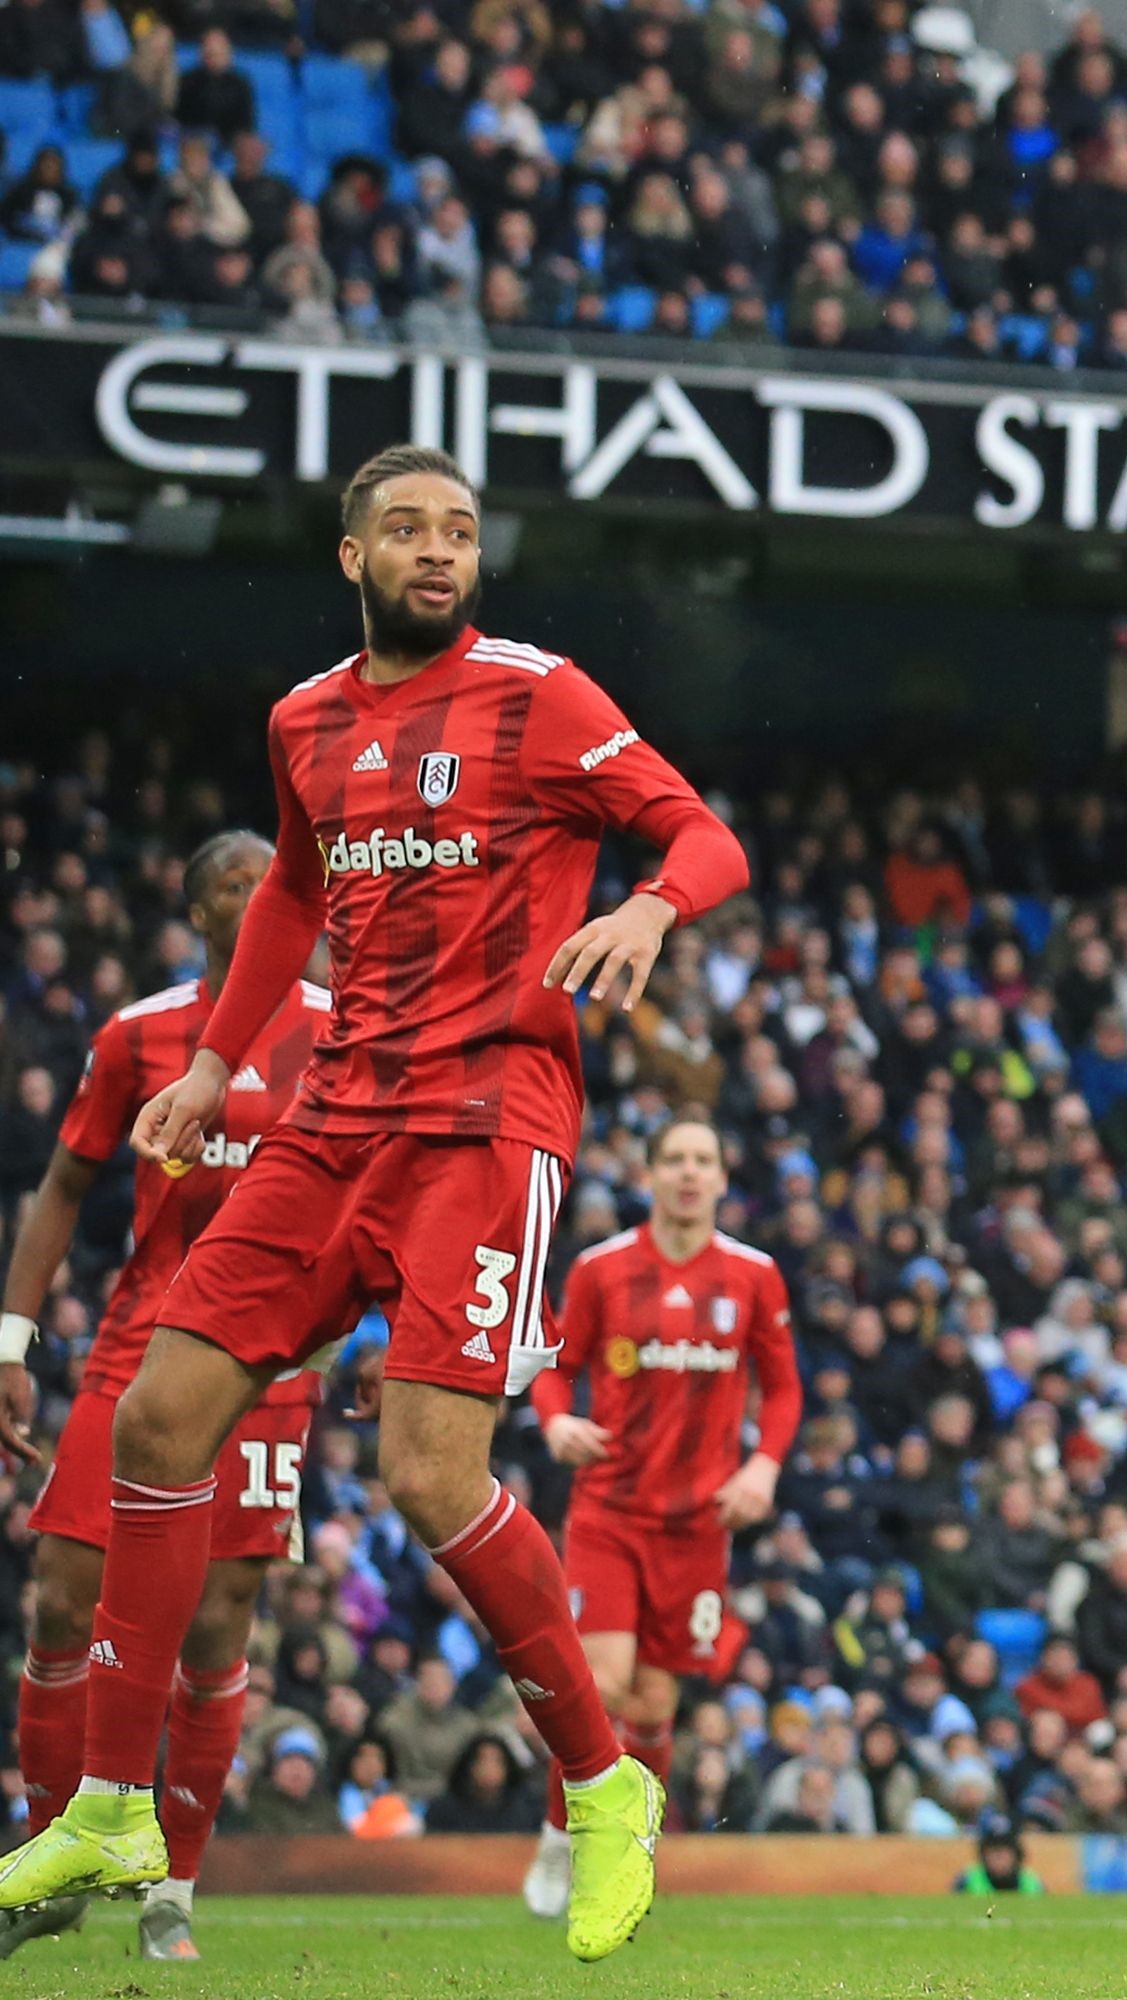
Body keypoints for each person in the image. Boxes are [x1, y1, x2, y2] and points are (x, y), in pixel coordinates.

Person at [0, 443, 749, 1963]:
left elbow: (702, 833)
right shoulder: (305, 721)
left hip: (485, 1122)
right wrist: (214, 1068)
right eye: (405, 528)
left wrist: (652, 905)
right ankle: (104, 1807)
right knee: (156, 1419)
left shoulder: (543, 696)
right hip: (333, 1116)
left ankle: (605, 1790)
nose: (436, 550)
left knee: (425, 1476)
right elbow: (289, 895)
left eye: (459, 532)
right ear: (351, 556)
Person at [0, 833, 330, 1964]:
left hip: (275, 1358)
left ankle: (173, 1892)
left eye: (269, 882)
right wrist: (10, 1337)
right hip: (143, 1341)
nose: (255, 898)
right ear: (197, 909)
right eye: (231, 885)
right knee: (58, 1597)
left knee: (222, 1619)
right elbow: (64, 1184)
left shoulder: (343, 1033)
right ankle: (50, 1856)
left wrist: (377, 1331)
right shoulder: (139, 1029)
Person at [521, 1113, 798, 1918]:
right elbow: (555, 1368)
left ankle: (626, 1856)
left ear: (720, 1177)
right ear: (650, 1173)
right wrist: (556, 1421)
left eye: (701, 1160)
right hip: (610, 1511)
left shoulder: (753, 1276)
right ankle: (556, 1838)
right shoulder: (604, 1270)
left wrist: (764, 1466)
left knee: (654, 1707)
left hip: (700, 1524)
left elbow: (783, 1388)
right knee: (599, 1684)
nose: (687, 1172)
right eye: (673, 1158)